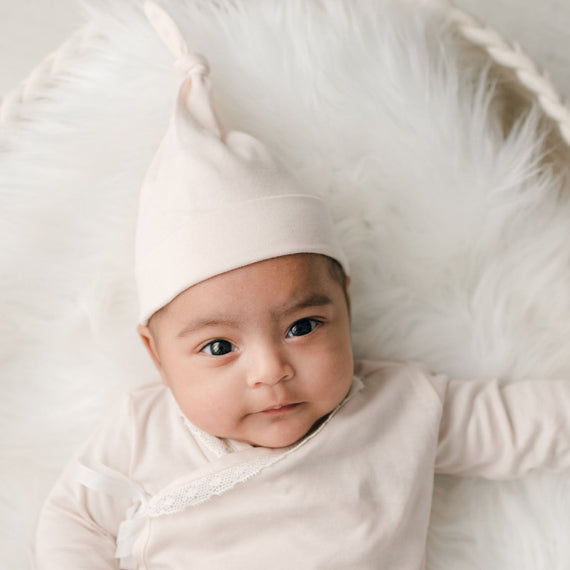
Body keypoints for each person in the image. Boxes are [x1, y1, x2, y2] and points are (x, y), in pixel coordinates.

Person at [34, 3, 570, 569]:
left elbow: (529, 423)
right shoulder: (141, 432)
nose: (271, 370)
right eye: (219, 347)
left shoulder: (403, 410)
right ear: (157, 355)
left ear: (346, 306)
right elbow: (75, 518)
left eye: (303, 326)